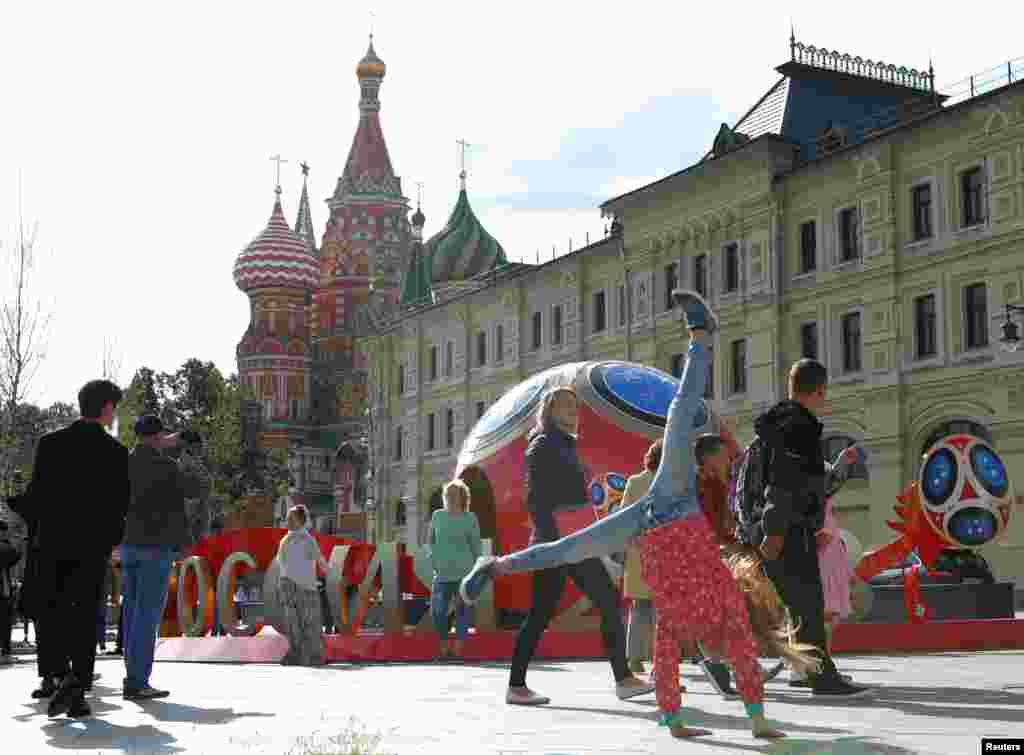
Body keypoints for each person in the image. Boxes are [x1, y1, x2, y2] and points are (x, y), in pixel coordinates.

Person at [463, 291, 817, 738]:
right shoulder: (726, 608)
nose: (714, 653)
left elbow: (670, 665)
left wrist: (676, 723)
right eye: (716, 653)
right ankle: (702, 338)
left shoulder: (677, 618)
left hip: (646, 518)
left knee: (565, 549)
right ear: (717, 646)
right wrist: (759, 723)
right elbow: (742, 659)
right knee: (678, 413)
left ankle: (492, 566)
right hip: (673, 500)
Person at [502, 385, 654, 706]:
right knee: (606, 600)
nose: (573, 411)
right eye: (565, 406)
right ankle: (623, 678)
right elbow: (537, 499)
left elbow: (573, 500)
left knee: (545, 612)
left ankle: (516, 686)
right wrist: (560, 543)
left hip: (566, 541)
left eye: (575, 405)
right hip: (560, 542)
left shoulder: (564, 444)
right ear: (550, 412)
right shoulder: (544, 444)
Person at [754, 359, 869, 697]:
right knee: (807, 604)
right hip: (789, 529)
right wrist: (775, 532)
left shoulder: (776, 422)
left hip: (781, 525)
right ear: (819, 390)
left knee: (798, 605)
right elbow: (784, 482)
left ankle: (809, 670)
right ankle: (820, 676)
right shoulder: (799, 426)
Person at [20, 379, 130, 718]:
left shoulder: (50, 444)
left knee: (52, 613)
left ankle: (60, 674)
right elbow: (118, 505)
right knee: (84, 616)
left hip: (51, 543)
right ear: (107, 407)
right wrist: (111, 542)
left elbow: (36, 496)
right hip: (91, 548)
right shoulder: (115, 452)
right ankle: (78, 688)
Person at [121, 414, 208, 700]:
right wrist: (186, 458)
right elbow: (194, 492)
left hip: (129, 545)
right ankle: (137, 681)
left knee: (132, 611)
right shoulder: (168, 466)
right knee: (148, 614)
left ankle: (131, 675)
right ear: (158, 436)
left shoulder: (125, 462)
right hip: (155, 547)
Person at [618, 441, 660, 677]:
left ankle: (633, 659)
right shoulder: (669, 482)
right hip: (663, 553)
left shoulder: (635, 482)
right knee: (660, 613)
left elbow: (624, 516)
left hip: (638, 553)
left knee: (640, 608)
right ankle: (659, 663)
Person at [428, 479, 481, 662]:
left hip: (464, 574)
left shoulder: (470, 518)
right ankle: (444, 648)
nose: (449, 497)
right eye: (446, 494)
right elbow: (431, 541)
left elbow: (476, 548)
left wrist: (476, 571)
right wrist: (433, 560)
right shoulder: (437, 516)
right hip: (441, 573)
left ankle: (457, 652)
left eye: (453, 494)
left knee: (462, 613)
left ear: (462, 497)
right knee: (437, 611)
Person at [275, 504, 330, 666]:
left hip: (307, 587)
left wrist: (331, 574)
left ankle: (315, 656)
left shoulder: (308, 540)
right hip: (289, 586)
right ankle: (294, 654)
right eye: (287, 519)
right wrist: (283, 583)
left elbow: (320, 560)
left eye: (291, 518)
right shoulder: (285, 540)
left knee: (311, 624)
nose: (287, 521)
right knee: (292, 624)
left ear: (300, 520)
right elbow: (281, 563)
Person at [0, 520, 16, 664]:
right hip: (3, 594)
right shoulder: (4, 547)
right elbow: (14, 555)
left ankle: (5, 651)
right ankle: (5, 651)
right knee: (5, 622)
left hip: (5, 591)